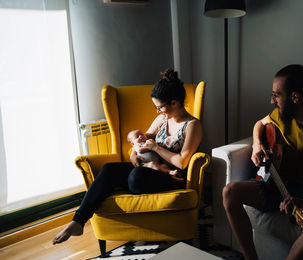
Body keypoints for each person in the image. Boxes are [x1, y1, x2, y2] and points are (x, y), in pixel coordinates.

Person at [53, 68, 203, 245]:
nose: (157, 112)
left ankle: (128, 181)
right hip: (149, 168)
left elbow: (182, 161)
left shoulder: (192, 125)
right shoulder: (162, 120)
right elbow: (141, 139)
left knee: (136, 177)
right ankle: (77, 222)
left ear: (175, 103)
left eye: (160, 107)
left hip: (171, 175)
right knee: (109, 169)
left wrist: (156, 147)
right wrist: (133, 154)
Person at [222, 60, 303, 260]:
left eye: (276, 95)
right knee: (230, 192)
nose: (272, 101)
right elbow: (259, 124)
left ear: (295, 97)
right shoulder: (283, 115)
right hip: (282, 180)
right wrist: (256, 145)